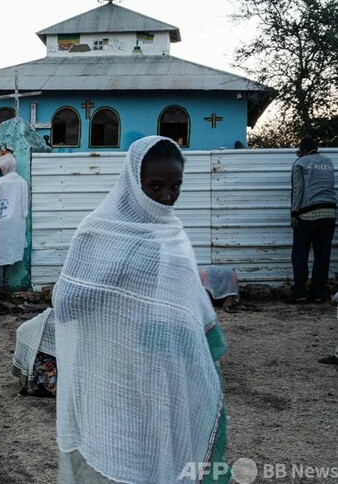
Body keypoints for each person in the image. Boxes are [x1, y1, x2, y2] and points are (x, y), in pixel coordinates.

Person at [52, 136, 228, 483]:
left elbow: (186, 306)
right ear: (134, 181)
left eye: (175, 187)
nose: (166, 197)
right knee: (114, 451)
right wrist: (120, 266)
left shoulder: (172, 233)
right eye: (155, 186)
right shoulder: (98, 231)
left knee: (153, 455)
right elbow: (66, 304)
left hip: (155, 370)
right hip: (108, 369)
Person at [289, 135, 336, 303]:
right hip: (329, 213)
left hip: (308, 214)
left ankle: (300, 293)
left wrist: (294, 213)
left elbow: (298, 190)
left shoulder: (300, 163)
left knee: (300, 254)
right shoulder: (328, 162)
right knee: (322, 255)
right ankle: (318, 293)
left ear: (302, 150)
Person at [0, 152, 28, 289]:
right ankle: (5, 283)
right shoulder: (22, 182)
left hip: (1, 222)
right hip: (16, 223)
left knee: (0, 251)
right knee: (11, 250)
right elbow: (25, 204)